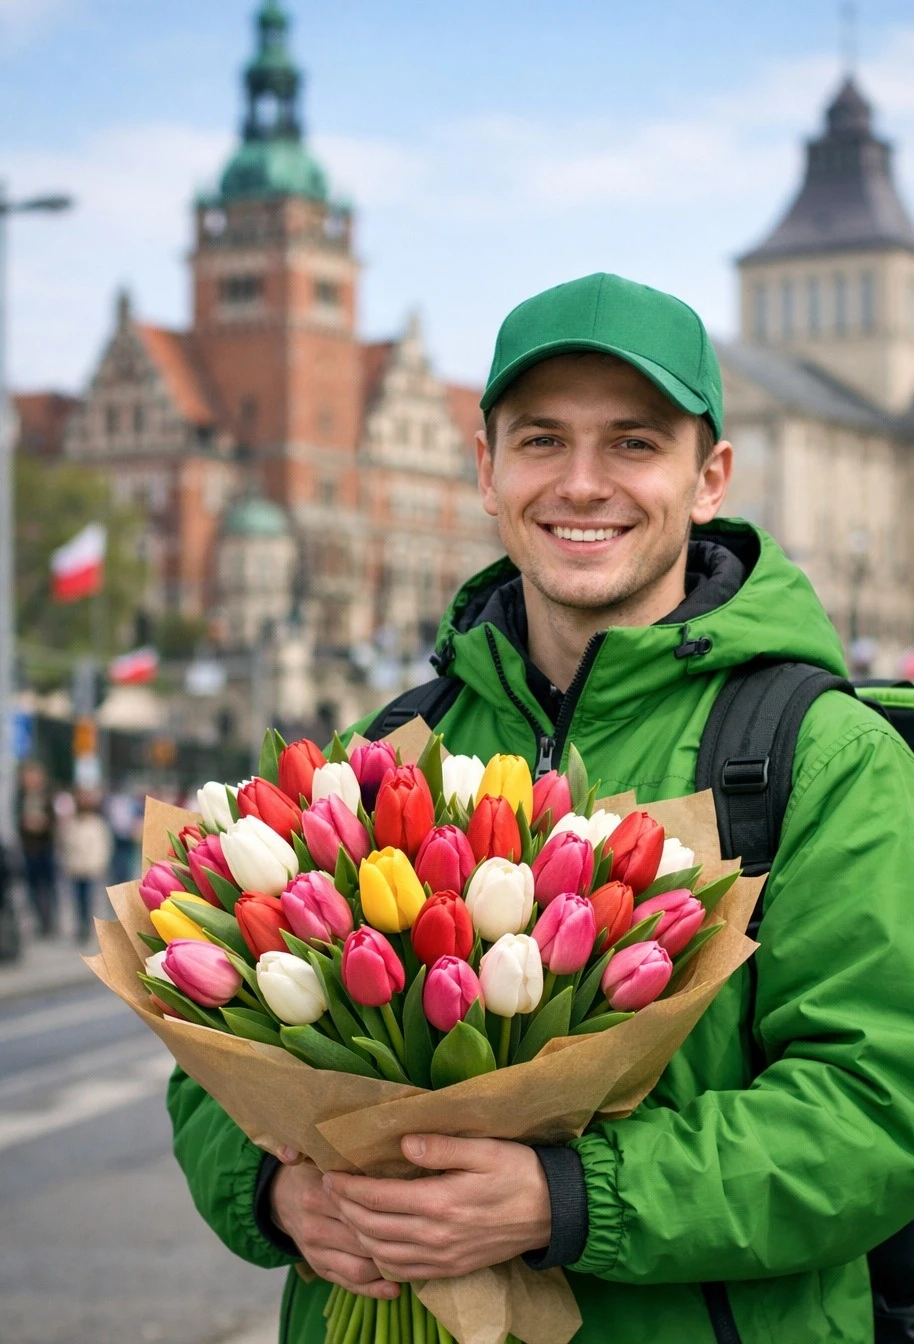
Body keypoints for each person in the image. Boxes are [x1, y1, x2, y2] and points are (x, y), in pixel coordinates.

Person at [167, 273, 914, 1343]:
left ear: (708, 478)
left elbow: (874, 1112)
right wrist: (276, 1196)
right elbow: (208, 1054)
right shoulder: (382, 752)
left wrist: (561, 1200)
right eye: (539, 441)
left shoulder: (821, 754)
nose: (580, 483)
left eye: (631, 443)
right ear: (485, 469)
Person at [58, 789, 113, 942]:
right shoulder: (70, 824)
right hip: (75, 867)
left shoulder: (97, 824)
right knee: (76, 899)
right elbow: (63, 844)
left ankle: (87, 926)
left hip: (91, 867)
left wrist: (100, 864)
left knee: (89, 899)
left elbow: (104, 845)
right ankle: (80, 925)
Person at [17, 760, 58, 937]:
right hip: (28, 847)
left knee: (48, 884)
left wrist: (43, 824)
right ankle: (40, 919)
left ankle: (49, 919)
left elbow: (55, 820)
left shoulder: (48, 795)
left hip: (45, 845)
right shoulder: (19, 797)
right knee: (32, 885)